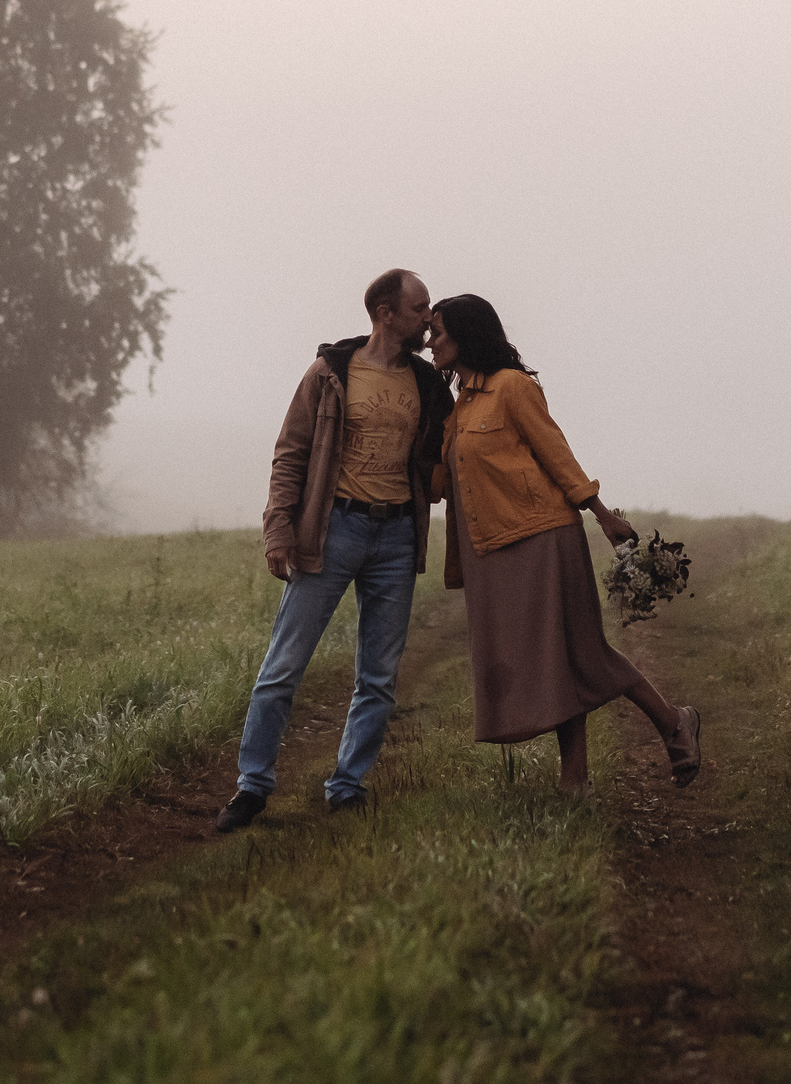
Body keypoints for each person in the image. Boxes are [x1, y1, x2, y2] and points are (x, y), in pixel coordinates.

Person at [428, 293, 699, 796]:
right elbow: (444, 484)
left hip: (542, 538)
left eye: (438, 331)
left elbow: (556, 453)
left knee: (581, 653)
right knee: (554, 662)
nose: (430, 341)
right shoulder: (458, 405)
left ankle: (666, 724)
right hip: (493, 550)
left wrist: (601, 513)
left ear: (466, 334)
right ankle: (582, 774)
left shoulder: (513, 387)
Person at [215, 268, 455, 832]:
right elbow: (290, 454)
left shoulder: (428, 384)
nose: (428, 318)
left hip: (397, 538)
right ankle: (252, 786)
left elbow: (454, 450)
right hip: (333, 529)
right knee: (283, 667)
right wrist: (278, 530)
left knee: (379, 676)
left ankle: (347, 786)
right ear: (385, 313)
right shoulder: (329, 373)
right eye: (419, 308)